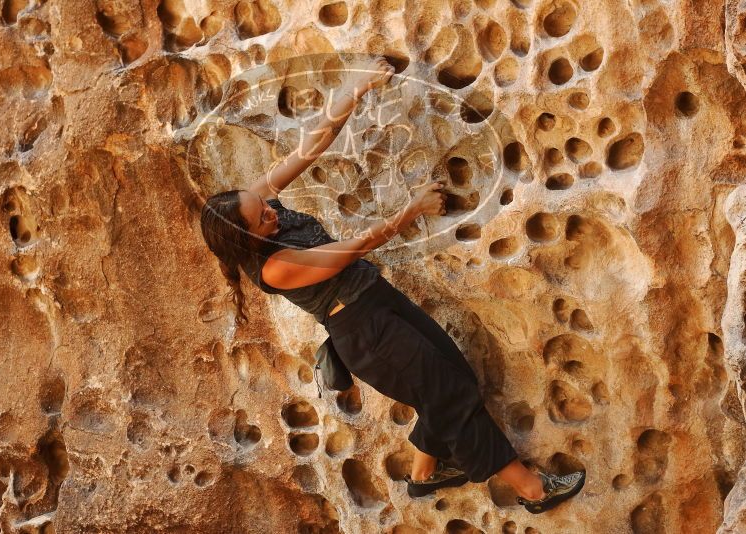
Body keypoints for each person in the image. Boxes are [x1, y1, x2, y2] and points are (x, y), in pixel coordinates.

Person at [199, 56, 585, 514]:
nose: (270, 210)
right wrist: (413, 210)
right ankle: (534, 490)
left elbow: (309, 148)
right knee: (451, 397)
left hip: (378, 301)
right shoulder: (275, 267)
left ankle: (424, 475)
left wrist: (353, 90)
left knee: (453, 377)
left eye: (260, 202)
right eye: (260, 217)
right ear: (247, 238)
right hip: (365, 332)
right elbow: (353, 248)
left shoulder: (260, 206)